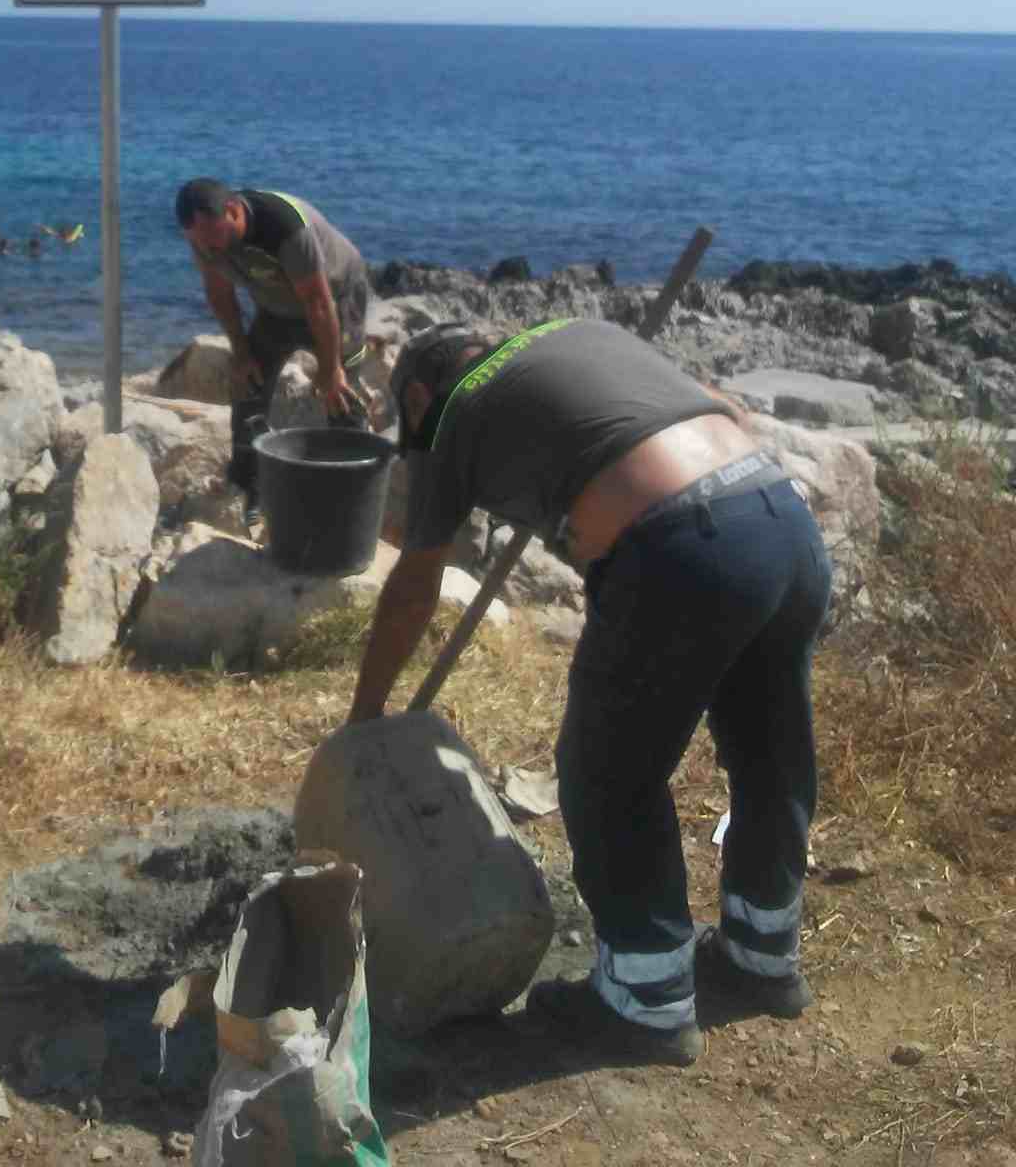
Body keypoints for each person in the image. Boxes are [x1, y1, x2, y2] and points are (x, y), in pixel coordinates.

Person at [347, 315, 832, 1069]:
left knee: (610, 774)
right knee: (768, 749)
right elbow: (725, 409)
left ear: (417, 394)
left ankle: (646, 1003)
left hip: (686, 546)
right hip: (783, 521)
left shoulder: (454, 410)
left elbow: (414, 585)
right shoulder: (579, 331)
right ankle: (762, 957)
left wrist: (365, 715)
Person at [174, 179, 372, 499]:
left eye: (214, 238)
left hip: (335, 296)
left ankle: (348, 488)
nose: (211, 249)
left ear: (233, 211)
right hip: (276, 303)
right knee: (247, 382)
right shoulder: (204, 238)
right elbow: (219, 292)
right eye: (199, 242)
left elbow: (318, 303)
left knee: (339, 391)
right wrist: (240, 351)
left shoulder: (283, 226)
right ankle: (246, 486)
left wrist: (331, 367)